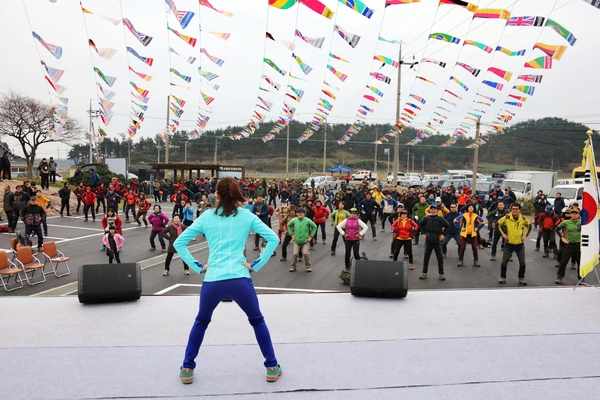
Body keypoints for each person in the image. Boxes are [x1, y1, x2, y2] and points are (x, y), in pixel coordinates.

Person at [172, 176, 281, 384]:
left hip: (213, 279)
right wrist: (256, 264)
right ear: (237, 193)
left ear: (217, 194)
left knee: (201, 322)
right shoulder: (247, 215)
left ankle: (187, 367)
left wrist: (197, 266)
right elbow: (274, 238)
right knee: (257, 321)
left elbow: (179, 243)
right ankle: (272, 366)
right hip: (240, 278)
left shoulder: (206, 216)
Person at [497, 203, 532, 286]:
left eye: (516, 209)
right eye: (513, 209)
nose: (515, 210)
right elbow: (498, 224)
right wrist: (503, 234)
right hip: (509, 243)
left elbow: (529, 226)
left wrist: (525, 235)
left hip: (519, 244)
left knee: (522, 262)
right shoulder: (506, 218)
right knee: (504, 261)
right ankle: (503, 277)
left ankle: (521, 278)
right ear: (511, 209)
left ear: (519, 210)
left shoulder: (523, 219)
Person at [418, 204, 450, 281]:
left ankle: (441, 274)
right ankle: (424, 273)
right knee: (426, 258)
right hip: (428, 240)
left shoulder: (440, 218)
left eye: (434, 209)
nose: (433, 210)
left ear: (437, 210)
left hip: (437, 240)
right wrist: (423, 233)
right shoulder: (426, 218)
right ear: (430, 210)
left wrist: (443, 235)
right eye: (431, 209)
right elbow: (420, 224)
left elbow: (447, 225)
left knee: (439, 258)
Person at [555, 208, 582, 284]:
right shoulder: (566, 222)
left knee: (580, 262)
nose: (574, 214)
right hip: (568, 245)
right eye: (572, 213)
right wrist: (562, 237)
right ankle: (560, 276)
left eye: (576, 213)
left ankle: (581, 278)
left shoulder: (582, 222)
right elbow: (557, 229)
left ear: (579, 215)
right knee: (563, 262)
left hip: (578, 245)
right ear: (570, 214)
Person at [287, 207, 317, 272]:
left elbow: (314, 227)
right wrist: (292, 234)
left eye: (301, 213)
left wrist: (311, 236)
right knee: (295, 254)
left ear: (304, 213)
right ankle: (293, 266)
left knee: (305, 253)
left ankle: (308, 266)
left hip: (305, 241)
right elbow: (289, 225)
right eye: (298, 213)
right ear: (296, 213)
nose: (300, 214)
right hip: (297, 241)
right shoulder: (294, 220)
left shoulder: (307, 220)